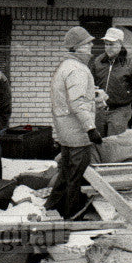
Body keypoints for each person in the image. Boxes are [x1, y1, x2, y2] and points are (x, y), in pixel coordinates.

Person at [44, 26, 103, 219]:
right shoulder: (77, 69)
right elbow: (77, 102)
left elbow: (74, 97)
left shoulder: (67, 66)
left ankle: (50, 208)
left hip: (66, 132)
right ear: (77, 48)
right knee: (74, 179)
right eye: (87, 43)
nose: (91, 45)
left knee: (64, 175)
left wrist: (93, 96)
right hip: (77, 134)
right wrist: (91, 128)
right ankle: (71, 217)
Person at [89, 27, 132, 136]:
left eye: (111, 44)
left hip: (120, 110)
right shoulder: (98, 61)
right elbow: (90, 85)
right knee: (97, 144)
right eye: (106, 44)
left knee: (114, 144)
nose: (108, 48)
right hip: (99, 110)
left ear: (120, 43)